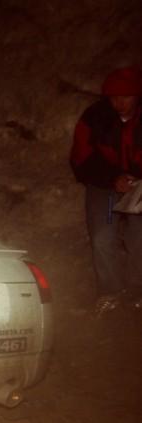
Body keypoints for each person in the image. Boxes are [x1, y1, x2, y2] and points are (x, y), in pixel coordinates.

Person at [70, 65, 142, 316]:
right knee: (102, 236)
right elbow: (81, 159)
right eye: (113, 97)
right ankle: (110, 293)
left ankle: (137, 293)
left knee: (139, 237)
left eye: (126, 96)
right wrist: (113, 178)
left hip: (140, 185)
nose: (119, 103)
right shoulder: (95, 117)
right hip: (105, 185)